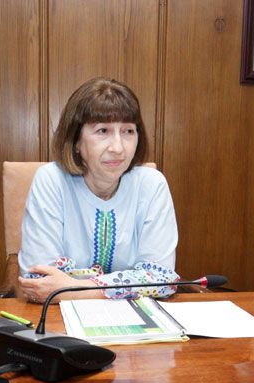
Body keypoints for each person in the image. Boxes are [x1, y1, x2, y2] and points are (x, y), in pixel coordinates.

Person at [18, 77, 179, 303]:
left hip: (135, 324)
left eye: (128, 131)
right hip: (58, 324)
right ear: (76, 140)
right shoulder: (51, 180)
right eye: (103, 130)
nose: (118, 148)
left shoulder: (152, 185)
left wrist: (76, 285)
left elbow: (162, 280)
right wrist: (132, 281)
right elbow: (39, 281)